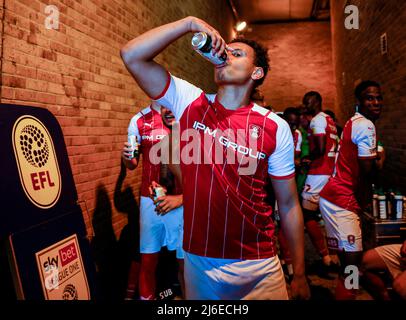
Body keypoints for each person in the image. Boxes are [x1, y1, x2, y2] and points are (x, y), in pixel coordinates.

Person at [121, 16, 310, 300]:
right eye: (224, 50)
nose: (225, 55)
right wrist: (190, 24)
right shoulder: (190, 103)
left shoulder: (274, 126)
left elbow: (288, 204)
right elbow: (132, 55)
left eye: (236, 53)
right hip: (201, 262)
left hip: (259, 262)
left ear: (256, 72)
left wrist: (300, 273)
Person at [319, 80, 385, 299]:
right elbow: (368, 171)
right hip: (340, 201)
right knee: (351, 266)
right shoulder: (365, 125)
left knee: (353, 264)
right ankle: (349, 293)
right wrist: (380, 160)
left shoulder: (355, 122)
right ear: (359, 102)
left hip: (341, 199)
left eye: (378, 98)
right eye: (369, 98)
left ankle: (368, 293)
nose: (375, 102)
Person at [122, 101, 184, 300]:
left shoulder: (185, 116)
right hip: (151, 200)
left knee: (184, 262)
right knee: (148, 260)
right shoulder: (138, 120)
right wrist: (126, 159)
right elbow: (132, 163)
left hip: (182, 200)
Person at [301, 91, 338, 275]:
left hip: (318, 173)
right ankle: (334, 255)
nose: (305, 104)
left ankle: (326, 257)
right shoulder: (330, 120)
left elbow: (321, 149)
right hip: (331, 173)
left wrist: (308, 158)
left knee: (307, 215)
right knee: (327, 215)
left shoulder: (317, 120)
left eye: (307, 101)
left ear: (316, 101)